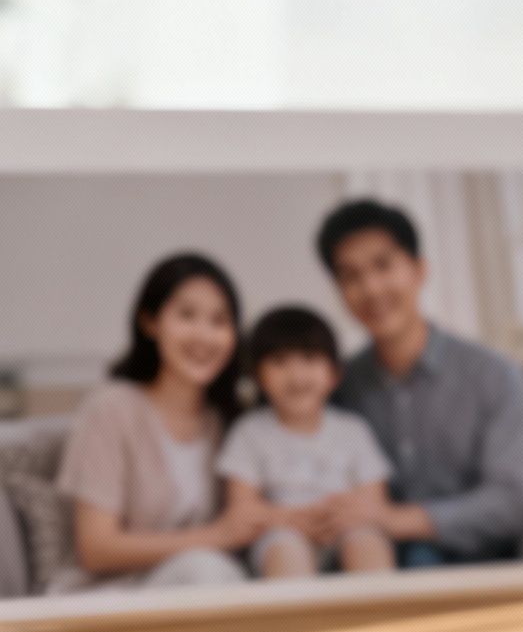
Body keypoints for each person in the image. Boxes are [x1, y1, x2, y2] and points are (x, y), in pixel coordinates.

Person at [316, 198, 523, 567]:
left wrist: (395, 520)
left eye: (383, 266)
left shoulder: (496, 377)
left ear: (419, 270)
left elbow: (513, 502)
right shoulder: (338, 387)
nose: (370, 289)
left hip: (477, 568)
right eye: (350, 276)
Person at [53, 254, 259, 593]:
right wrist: (215, 537)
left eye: (220, 321)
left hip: (198, 596)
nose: (203, 335)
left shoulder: (227, 421)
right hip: (107, 598)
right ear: (150, 322)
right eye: (187, 315)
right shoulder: (110, 409)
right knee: (206, 571)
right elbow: (95, 548)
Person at [217, 306, 396, 579]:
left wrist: (336, 518)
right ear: (257, 375)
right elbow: (242, 508)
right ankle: (299, 623)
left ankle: (384, 620)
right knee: (286, 549)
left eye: (310, 358)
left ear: (334, 373)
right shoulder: (249, 432)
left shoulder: (353, 429)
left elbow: (374, 502)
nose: (296, 375)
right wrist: (290, 520)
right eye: (279, 361)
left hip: (344, 530)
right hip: (280, 533)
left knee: (367, 541)